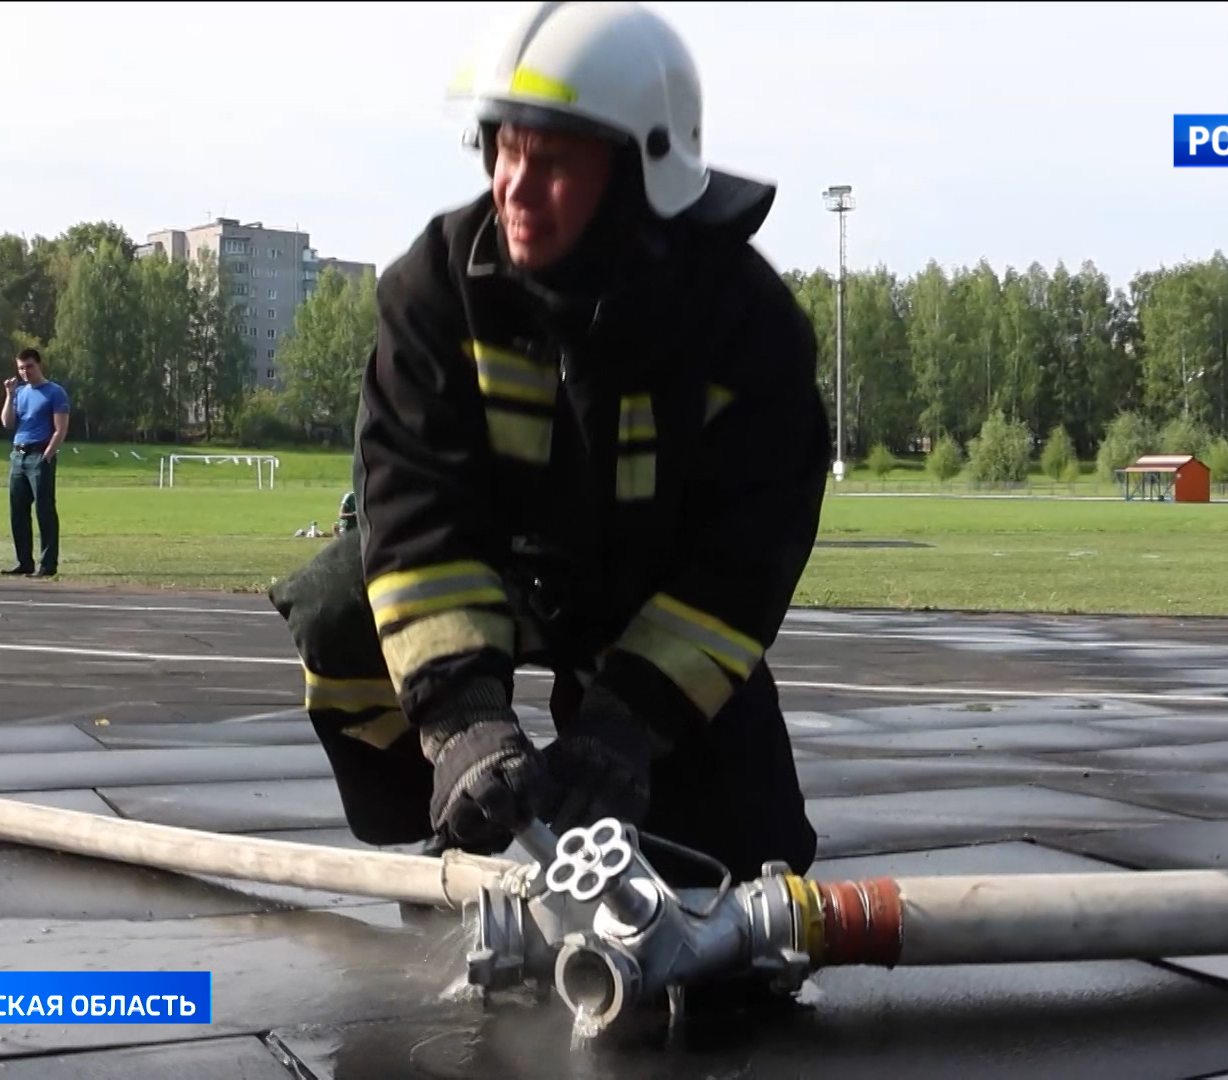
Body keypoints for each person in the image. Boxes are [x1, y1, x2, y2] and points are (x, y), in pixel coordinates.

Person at [268, 1, 828, 893]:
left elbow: (741, 568)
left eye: (555, 161)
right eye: (504, 149)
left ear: (645, 172)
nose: (514, 188)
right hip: (502, 580)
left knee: (739, 872)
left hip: (657, 596)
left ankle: (628, 780)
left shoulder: (749, 328)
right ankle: (459, 814)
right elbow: (415, 519)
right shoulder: (437, 289)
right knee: (341, 611)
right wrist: (462, 723)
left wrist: (628, 725)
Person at [0, 347, 69, 578]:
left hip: (40, 455)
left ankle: (48, 565)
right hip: (18, 455)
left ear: (39, 365)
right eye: (20, 368)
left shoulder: (55, 392)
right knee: (17, 511)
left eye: (29, 366)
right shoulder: (19, 392)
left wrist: (48, 454)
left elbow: (60, 429)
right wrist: (9, 395)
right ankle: (24, 562)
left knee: (44, 510)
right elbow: (7, 423)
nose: (25, 372)